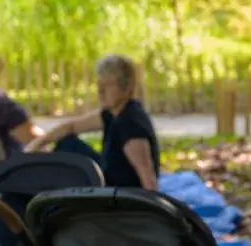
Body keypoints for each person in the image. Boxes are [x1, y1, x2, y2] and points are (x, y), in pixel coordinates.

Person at [26, 54, 160, 191]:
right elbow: (70, 127)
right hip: (110, 180)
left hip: (118, 194)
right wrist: (35, 145)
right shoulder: (113, 113)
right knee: (67, 144)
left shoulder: (130, 124)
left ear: (126, 88)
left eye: (107, 85)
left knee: (68, 148)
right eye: (99, 84)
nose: (100, 91)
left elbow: (148, 179)